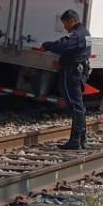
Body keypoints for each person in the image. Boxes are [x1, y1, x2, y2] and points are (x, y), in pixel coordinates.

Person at [41, 9, 92, 150]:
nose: (65, 27)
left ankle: (75, 140)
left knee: (76, 106)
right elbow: (75, 52)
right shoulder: (86, 33)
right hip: (79, 72)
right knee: (79, 106)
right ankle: (82, 139)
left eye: (65, 23)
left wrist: (46, 45)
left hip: (72, 74)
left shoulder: (77, 34)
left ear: (71, 21)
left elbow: (62, 45)